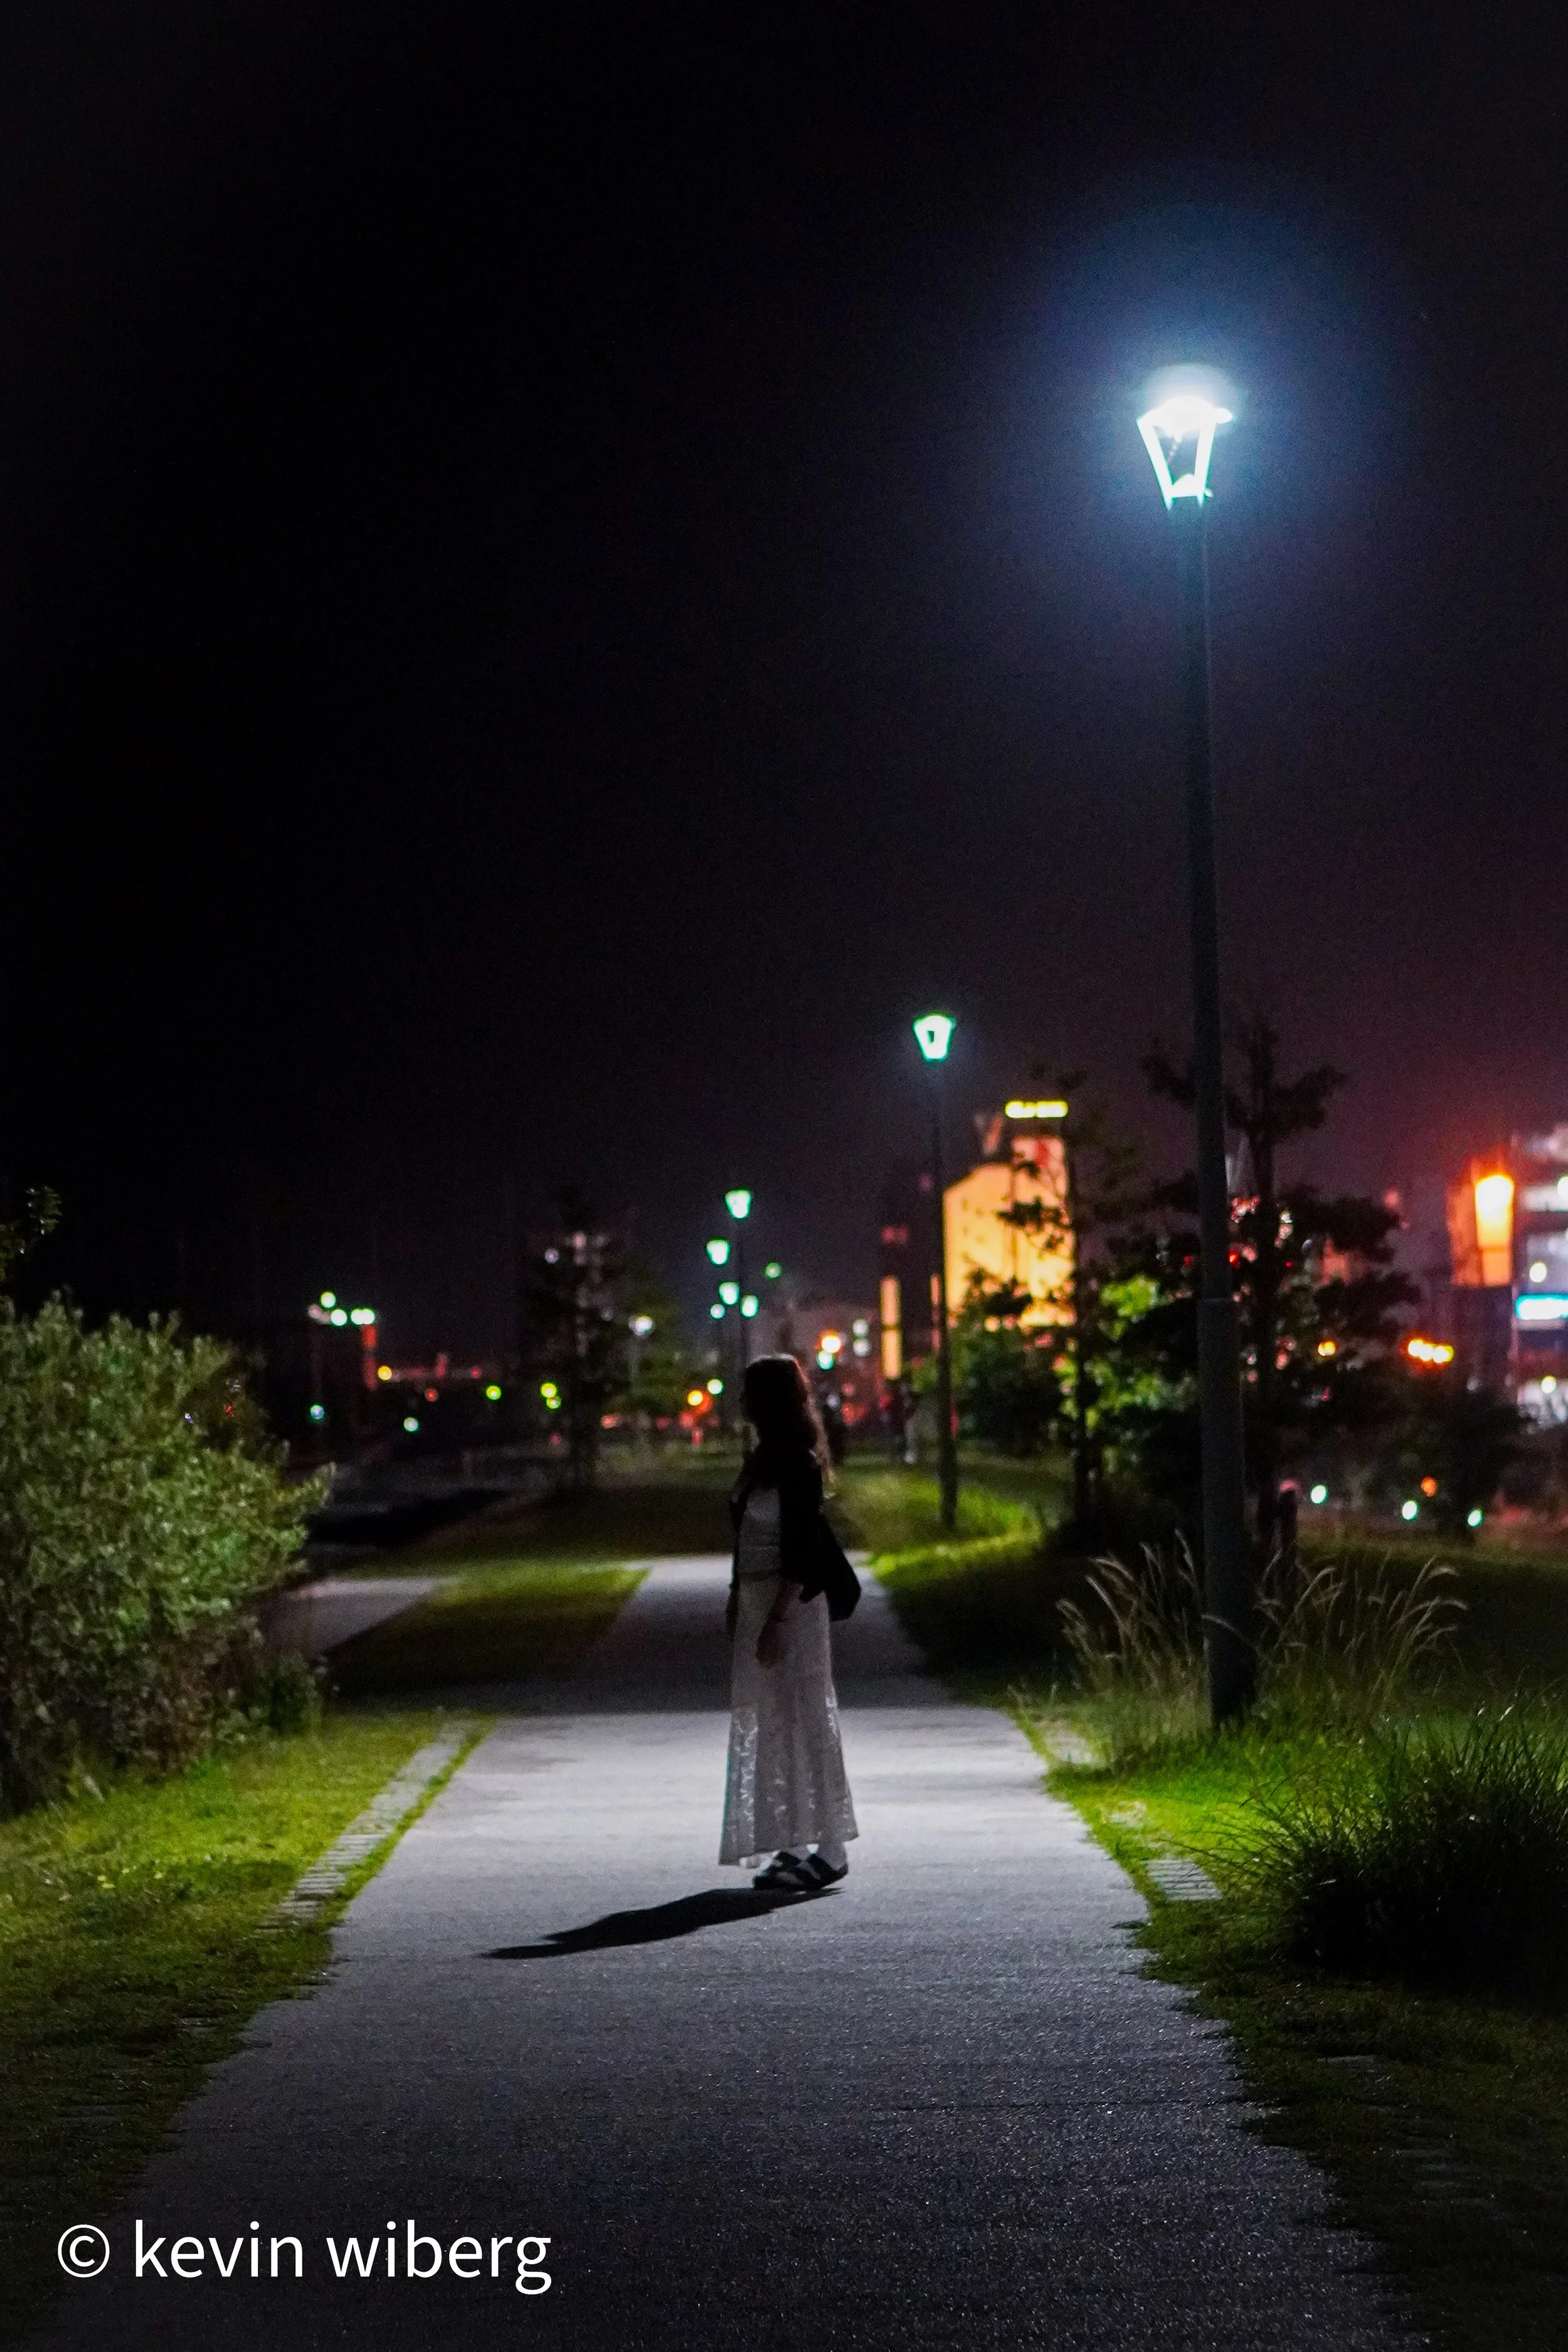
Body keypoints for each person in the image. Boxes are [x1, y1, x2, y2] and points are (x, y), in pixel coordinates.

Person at [719, 1353, 858, 1892]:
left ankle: (832, 1847)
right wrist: (736, 1597)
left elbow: (801, 1551)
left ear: (768, 1400)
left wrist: (777, 1618)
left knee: (807, 1715)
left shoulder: (800, 1464)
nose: (743, 1404)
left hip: (792, 1605)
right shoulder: (762, 1461)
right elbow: (743, 1539)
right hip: (759, 1601)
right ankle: (793, 1841)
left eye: (750, 1394)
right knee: (773, 1718)